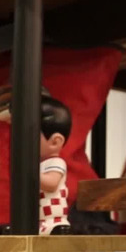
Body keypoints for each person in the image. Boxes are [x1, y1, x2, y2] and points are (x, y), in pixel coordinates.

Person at [38, 97, 72, 235]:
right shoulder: (39, 164)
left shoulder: (57, 163)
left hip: (53, 218)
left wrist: (29, 172)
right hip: (39, 219)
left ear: (55, 142)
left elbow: (51, 184)